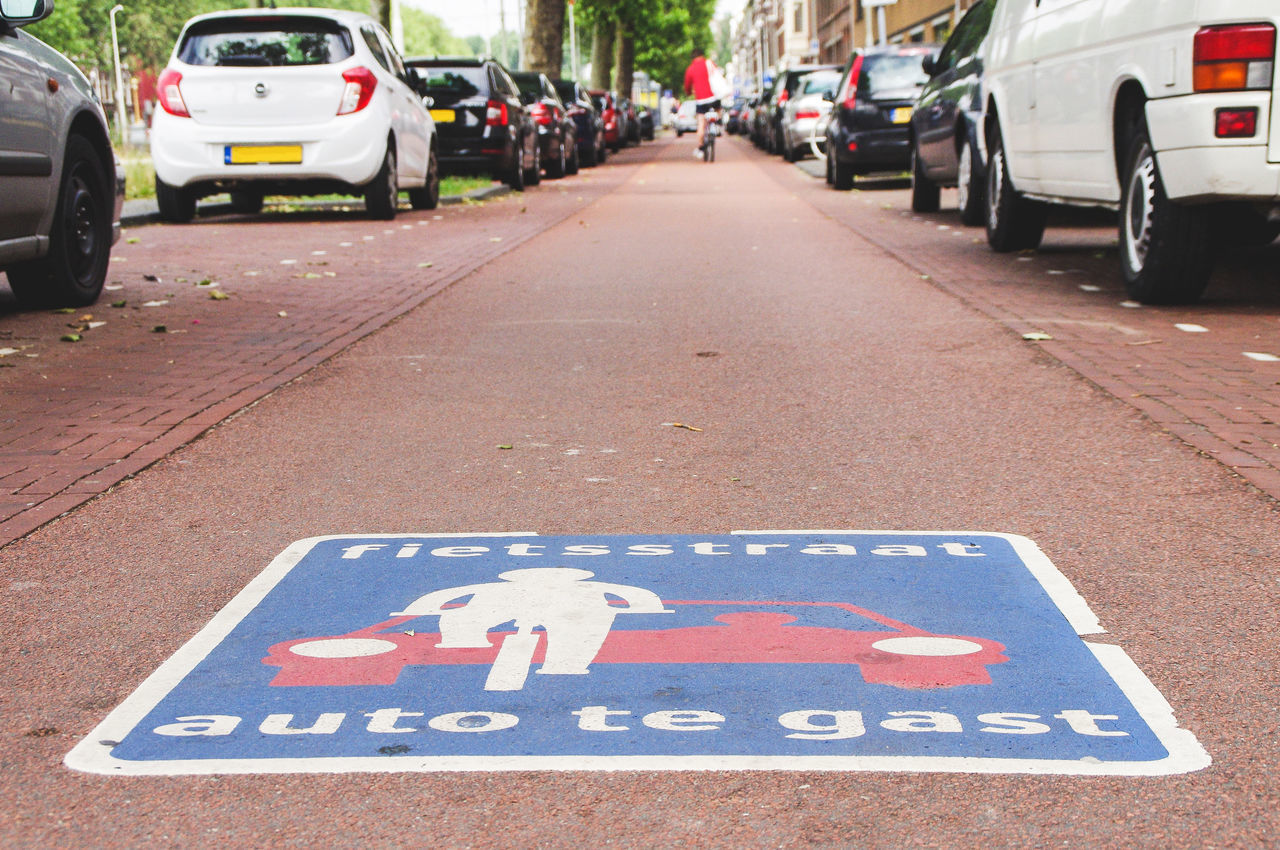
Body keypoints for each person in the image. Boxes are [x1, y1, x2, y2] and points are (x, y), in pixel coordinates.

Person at [682, 48, 720, 159]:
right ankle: (717, 124)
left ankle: (700, 146)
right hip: (714, 97)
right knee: (718, 109)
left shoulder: (691, 69)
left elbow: (687, 85)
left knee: (701, 123)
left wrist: (689, 92)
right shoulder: (709, 63)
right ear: (702, 55)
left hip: (701, 100)